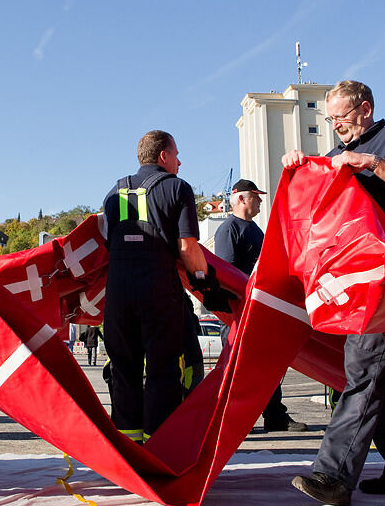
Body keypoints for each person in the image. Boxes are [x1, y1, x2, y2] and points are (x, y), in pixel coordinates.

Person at [287, 80, 385, 506]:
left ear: (365, 109)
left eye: (342, 117)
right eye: (330, 120)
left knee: (365, 366)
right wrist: (300, 166)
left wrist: (371, 163)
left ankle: (333, 475)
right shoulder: (334, 156)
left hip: (384, 280)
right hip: (349, 285)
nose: (336, 127)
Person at [102, 130, 230, 442]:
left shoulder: (112, 194)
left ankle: (129, 451)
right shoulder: (178, 188)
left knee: (124, 370)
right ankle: (159, 448)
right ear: (163, 156)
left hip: (117, 293)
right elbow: (187, 247)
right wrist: (205, 284)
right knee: (163, 370)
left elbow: (109, 243)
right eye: (176, 155)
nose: (179, 161)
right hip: (157, 291)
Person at [214, 179, 307, 433]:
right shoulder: (228, 230)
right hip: (240, 315)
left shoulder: (254, 230)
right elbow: (227, 274)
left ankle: (274, 415)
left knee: (268, 367)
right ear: (241, 199)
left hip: (258, 313)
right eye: (256, 197)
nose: (260, 201)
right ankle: (227, 422)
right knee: (238, 370)